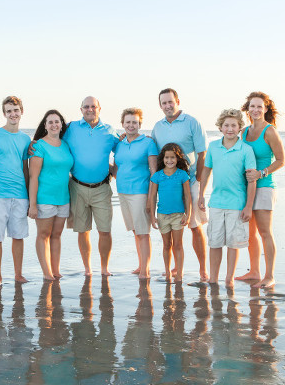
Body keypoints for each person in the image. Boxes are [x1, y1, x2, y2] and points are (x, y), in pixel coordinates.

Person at [151, 88, 209, 281]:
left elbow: (202, 154)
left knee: (194, 225)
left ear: (177, 101)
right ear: (160, 105)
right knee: (174, 226)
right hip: (169, 184)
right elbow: (153, 150)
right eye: (164, 103)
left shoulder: (192, 122)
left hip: (190, 181)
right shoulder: (157, 127)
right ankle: (176, 266)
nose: (168, 106)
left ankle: (202, 269)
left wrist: (199, 182)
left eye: (170, 101)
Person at [198, 109, 257, 288]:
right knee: (214, 242)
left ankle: (229, 278)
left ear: (240, 128)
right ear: (220, 127)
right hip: (216, 202)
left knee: (233, 243)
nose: (230, 129)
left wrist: (248, 206)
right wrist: (201, 195)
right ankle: (213, 278)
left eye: (233, 125)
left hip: (237, 204)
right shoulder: (214, 147)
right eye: (226, 125)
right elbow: (206, 171)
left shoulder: (246, 150)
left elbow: (251, 180)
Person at [63, 96, 119, 276]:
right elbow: (52, 137)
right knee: (83, 231)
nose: (90, 109)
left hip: (102, 188)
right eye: (86, 107)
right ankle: (87, 269)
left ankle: (104, 268)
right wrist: (34, 143)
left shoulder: (109, 131)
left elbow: (125, 148)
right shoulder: (71, 128)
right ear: (81, 109)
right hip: (77, 187)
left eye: (93, 106)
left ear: (99, 108)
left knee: (105, 230)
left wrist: (114, 169)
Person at [237, 91, 285, 288]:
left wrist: (261, 173)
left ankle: (269, 276)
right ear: (247, 109)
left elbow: (281, 160)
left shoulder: (270, 131)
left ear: (265, 109)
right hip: (247, 188)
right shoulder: (244, 132)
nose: (255, 110)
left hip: (264, 186)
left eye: (259, 106)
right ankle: (254, 271)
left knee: (265, 232)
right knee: (249, 233)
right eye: (252, 106)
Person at [0, 96, 31, 288]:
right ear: (4, 113)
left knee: (18, 236)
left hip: (20, 195)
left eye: (16, 110)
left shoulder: (25, 139)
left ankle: (18, 275)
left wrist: (29, 197)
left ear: (21, 112)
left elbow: (26, 168)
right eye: (9, 111)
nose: (13, 114)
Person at [112, 107, 158, 280]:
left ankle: (145, 270)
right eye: (128, 122)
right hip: (122, 192)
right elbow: (116, 170)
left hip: (140, 192)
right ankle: (140, 265)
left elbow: (154, 173)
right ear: (122, 124)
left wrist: (151, 199)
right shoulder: (119, 144)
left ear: (140, 124)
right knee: (135, 231)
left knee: (143, 232)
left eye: (135, 122)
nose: (131, 125)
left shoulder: (148, 143)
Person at [28, 110, 74, 281]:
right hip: (44, 198)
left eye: (57, 121)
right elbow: (33, 177)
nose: (54, 125)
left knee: (56, 235)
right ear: (45, 126)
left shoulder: (65, 145)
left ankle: (56, 270)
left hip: (63, 198)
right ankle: (47, 273)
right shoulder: (39, 146)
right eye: (50, 122)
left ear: (62, 124)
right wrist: (32, 204)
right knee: (43, 234)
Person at [148, 143, 192, 282]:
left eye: (172, 157)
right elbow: (153, 196)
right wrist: (152, 216)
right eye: (167, 157)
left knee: (178, 245)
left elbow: (187, 195)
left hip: (178, 215)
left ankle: (179, 272)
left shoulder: (182, 174)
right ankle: (167, 272)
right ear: (163, 159)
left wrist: (188, 214)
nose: (169, 160)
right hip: (162, 216)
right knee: (167, 245)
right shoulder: (157, 176)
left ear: (177, 158)